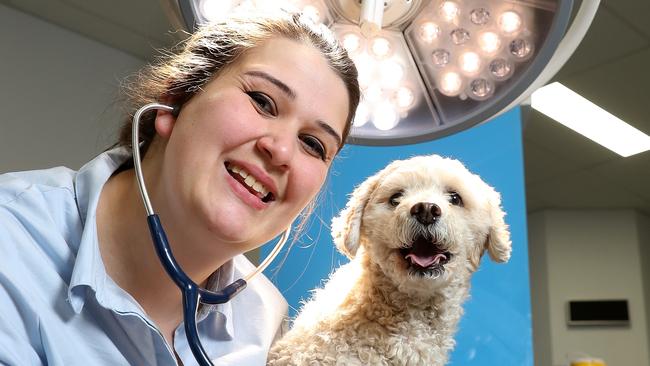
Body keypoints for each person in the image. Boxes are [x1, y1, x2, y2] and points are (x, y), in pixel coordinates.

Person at [0, 10, 359, 365]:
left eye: (313, 144)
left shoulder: (266, 327)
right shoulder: (11, 241)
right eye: (262, 102)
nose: (280, 151)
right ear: (175, 100)